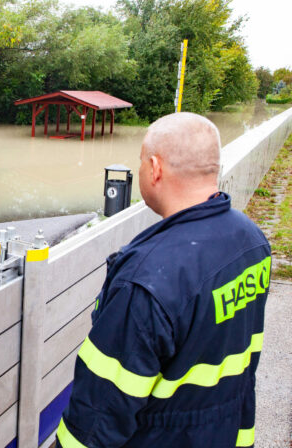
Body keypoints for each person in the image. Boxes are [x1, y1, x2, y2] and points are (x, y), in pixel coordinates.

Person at [55, 112, 271, 448]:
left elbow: (100, 414)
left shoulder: (147, 280)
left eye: (141, 161)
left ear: (154, 168)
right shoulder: (251, 241)